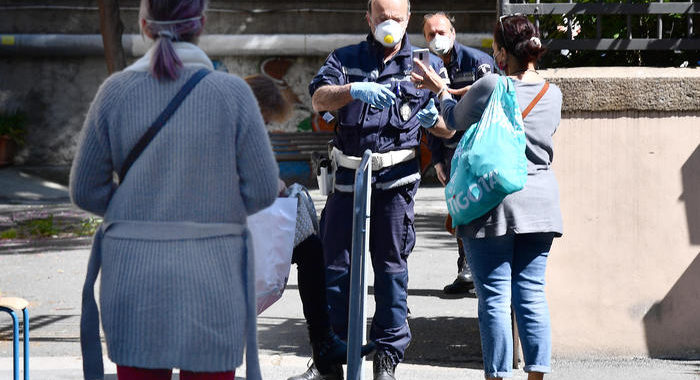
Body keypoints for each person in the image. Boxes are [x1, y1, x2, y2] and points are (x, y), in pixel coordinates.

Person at [70, 1, 279, 379]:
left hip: (133, 277)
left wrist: (136, 212)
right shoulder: (233, 95)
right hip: (213, 276)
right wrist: (214, 211)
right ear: (201, 23)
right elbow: (263, 190)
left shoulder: (115, 92)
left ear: (145, 25)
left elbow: (86, 190)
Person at [294, 0, 448, 379]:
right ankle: (331, 358)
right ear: (369, 18)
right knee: (334, 269)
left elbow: (448, 126)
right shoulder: (344, 59)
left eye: (397, 17)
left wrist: (436, 120)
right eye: (382, 17)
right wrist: (353, 90)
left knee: (391, 270)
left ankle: (386, 356)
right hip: (348, 181)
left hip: (395, 186)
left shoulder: (426, 66)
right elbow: (318, 100)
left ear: (408, 18)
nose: (390, 24)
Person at [412, 14, 563, 380]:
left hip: (492, 202)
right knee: (531, 294)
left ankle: (497, 375)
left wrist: (440, 90)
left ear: (500, 52)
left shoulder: (491, 84)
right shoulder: (552, 93)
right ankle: (537, 375)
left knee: (494, 298)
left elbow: (454, 120)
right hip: (540, 205)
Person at [244, 74, 374, 380]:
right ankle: (324, 343)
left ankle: (324, 345)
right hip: (228, 228)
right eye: (263, 117)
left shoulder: (240, 126)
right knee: (310, 249)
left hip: (239, 222)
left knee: (310, 248)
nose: (263, 123)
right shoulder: (236, 128)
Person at [421, 12, 495, 295]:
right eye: (430, 34)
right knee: (459, 211)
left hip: (478, 152)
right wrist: (438, 160)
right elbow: (430, 114)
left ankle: (483, 273)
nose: (436, 37)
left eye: (441, 31)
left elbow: (490, 108)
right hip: (452, 154)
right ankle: (466, 270)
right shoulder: (428, 68)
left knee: (482, 211)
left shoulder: (478, 63)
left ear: (453, 32)